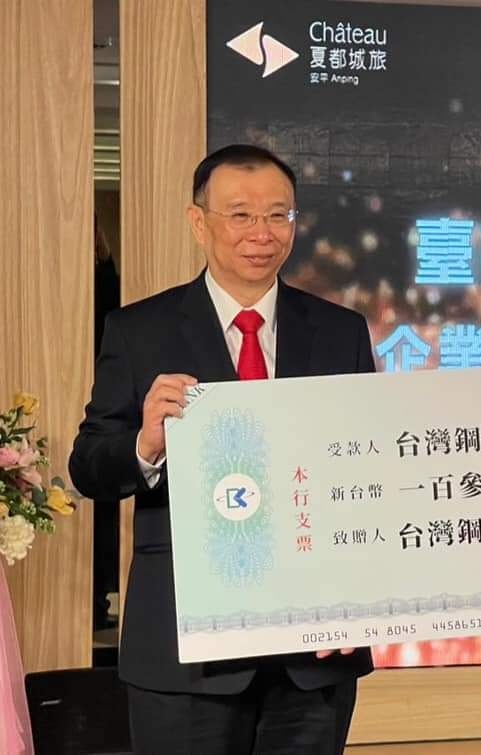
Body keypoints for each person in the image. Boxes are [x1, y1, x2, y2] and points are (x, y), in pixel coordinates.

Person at [70, 144, 374, 755]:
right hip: (184, 649)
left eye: (278, 215)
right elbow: (89, 467)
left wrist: (358, 602)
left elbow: (365, 476)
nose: (262, 233)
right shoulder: (139, 330)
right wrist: (145, 445)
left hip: (311, 651)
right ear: (198, 222)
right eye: (240, 215)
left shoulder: (341, 331)